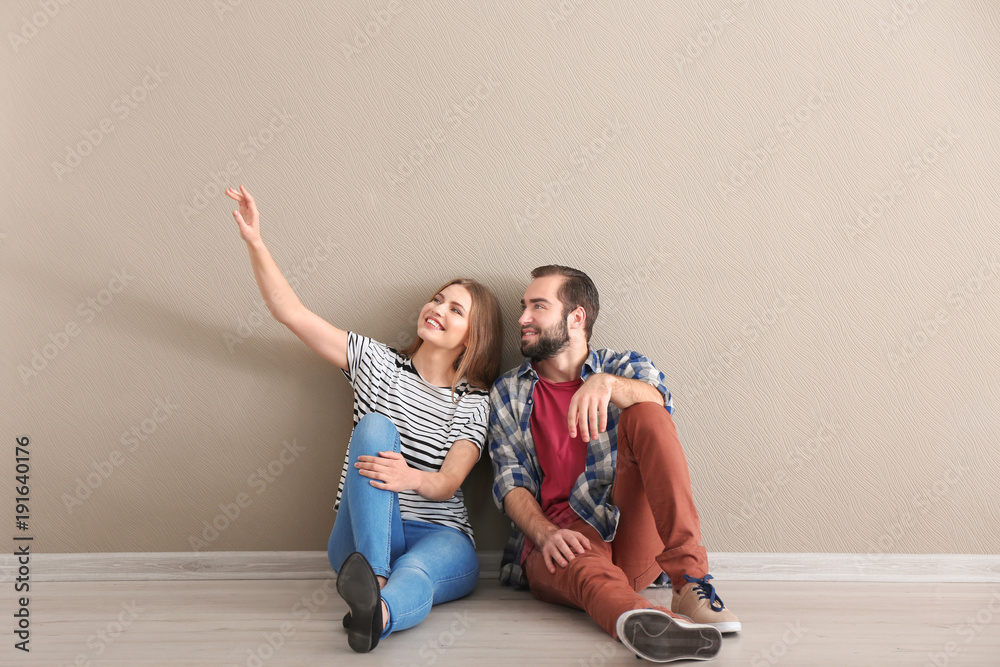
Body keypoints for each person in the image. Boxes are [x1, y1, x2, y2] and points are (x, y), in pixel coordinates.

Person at [226, 185, 503, 654]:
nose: (437, 308)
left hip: (441, 536)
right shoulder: (376, 363)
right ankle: (371, 575)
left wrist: (409, 476)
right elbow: (289, 311)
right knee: (375, 427)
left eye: (455, 310)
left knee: (416, 573)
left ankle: (376, 614)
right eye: (437, 299)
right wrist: (256, 241)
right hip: (364, 537)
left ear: (472, 338)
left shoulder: (473, 401)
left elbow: (449, 483)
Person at [488, 265, 739, 663]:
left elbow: (660, 402)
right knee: (587, 572)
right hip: (562, 539)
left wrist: (607, 384)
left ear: (576, 317)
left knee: (647, 412)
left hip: (628, 533)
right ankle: (647, 623)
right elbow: (510, 479)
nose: (522, 318)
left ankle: (690, 581)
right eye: (523, 307)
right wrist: (544, 533)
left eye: (537, 306)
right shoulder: (510, 391)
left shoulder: (623, 366)